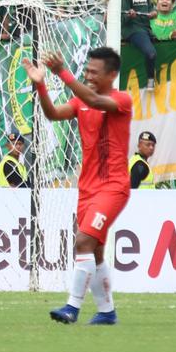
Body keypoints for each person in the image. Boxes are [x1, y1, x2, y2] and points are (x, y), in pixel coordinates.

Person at [26, 47, 132, 326]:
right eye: (86, 71)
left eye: (94, 73)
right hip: (87, 188)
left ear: (112, 75)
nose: (88, 76)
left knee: (82, 242)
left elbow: (95, 100)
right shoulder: (81, 101)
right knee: (94, 250)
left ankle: (72, 307)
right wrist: (41, 85)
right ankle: (107, 312)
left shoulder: (121, 100)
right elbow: (52, 114)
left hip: (113, 187)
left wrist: (62, 71)